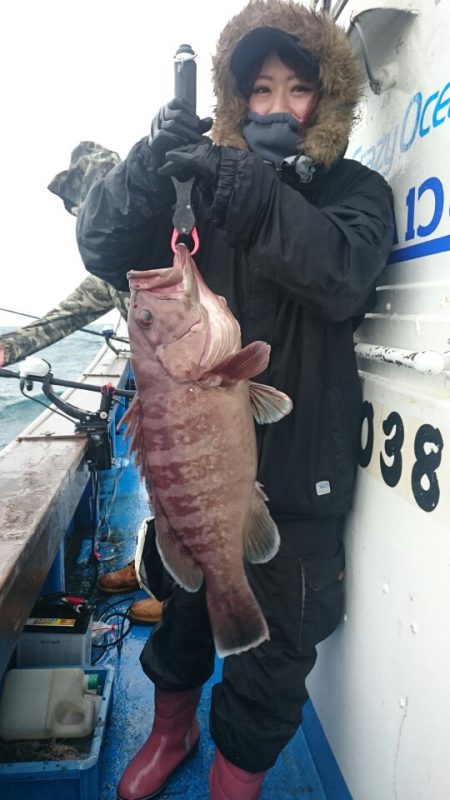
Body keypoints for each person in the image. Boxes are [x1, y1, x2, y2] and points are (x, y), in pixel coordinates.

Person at [76, 2, 394, 798]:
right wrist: (150, 166)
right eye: (260, 90)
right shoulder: (197, 190)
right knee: (183, 619)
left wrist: (251, 193)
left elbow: (344, 275)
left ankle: (233, 777)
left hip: (301, 490)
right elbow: (105, 246)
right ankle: (170, 729)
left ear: (330, 101)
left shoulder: (356, 192)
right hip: (202, 479)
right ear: (234, 98)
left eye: (297, 89)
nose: (278, 107)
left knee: (275, 664)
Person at [0, 141, 162, 625]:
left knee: (190, 492)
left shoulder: (165, 245)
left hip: (192, 396)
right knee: (160, 488)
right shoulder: (108, 274)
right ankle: (154, 564)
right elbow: (60, 319)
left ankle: (182, 595)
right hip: (153, 397)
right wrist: (7, 349)